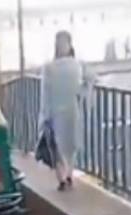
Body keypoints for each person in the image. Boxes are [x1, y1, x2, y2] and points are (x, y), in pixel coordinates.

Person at [39, 30, 94, 191]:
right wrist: (45, 114)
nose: (61, 46)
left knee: (68, 144)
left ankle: (67, 175)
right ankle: (63, 177)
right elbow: (45, 92)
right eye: (59, 43)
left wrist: (82, 93)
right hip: (60, 110)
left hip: (68, 109)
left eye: (63, 43)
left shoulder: (72, 65)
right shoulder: (69, 65)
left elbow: (88, 80)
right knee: (61, 145)